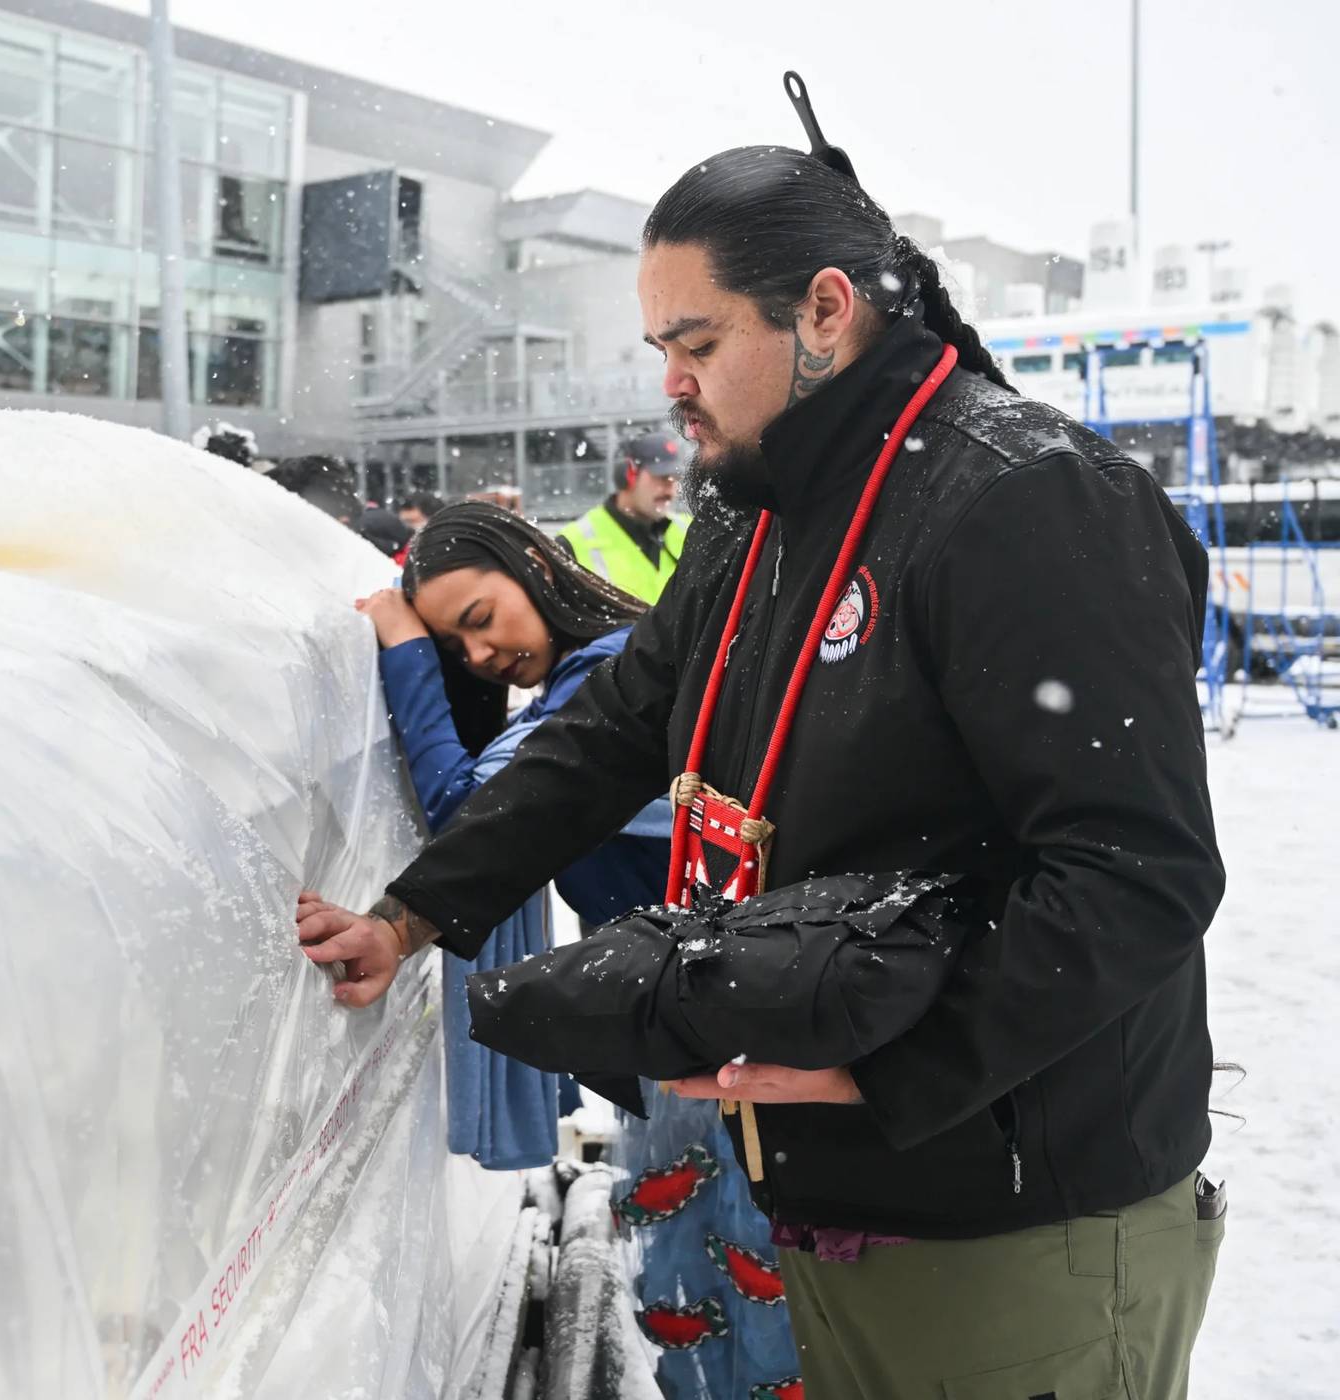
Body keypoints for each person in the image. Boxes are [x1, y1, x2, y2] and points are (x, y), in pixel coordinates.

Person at [296, 142, 1225, 1399]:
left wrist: (885, 1069)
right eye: (659, 353)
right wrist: (414, 912)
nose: (673, 387)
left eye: (698, 342)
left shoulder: (1027, 499)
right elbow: (621, 717)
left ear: (827, 312)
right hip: (831, 1182)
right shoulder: (756, 500)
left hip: (1013, 1212)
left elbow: (1136, 874)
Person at [345, 504, 798, 1396]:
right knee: (711, 1284)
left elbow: (474, 817)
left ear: (534, 567)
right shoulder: (590, 677)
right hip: (692, 1015)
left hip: (724, 1024)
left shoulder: (609, 679)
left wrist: (403, 647)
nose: (479, 656)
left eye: (479, 619)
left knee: (731, 1284)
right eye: (455, 647)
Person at [557, 434, 690, 603]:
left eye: (675, 477)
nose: (670, 487)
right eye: (661, 476)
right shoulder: (572, 544)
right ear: (628, 474)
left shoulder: (691, 531)